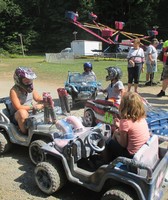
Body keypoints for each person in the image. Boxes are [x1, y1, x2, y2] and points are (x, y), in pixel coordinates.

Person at [105, 92, 150, 161]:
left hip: (130, 155)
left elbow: (123, 144)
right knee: (116, 133)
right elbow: (131, 129)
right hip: (141, 150)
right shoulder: (142, 118)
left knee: (106, 140)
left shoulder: (125, 122)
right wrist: (120, 127)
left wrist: (117, 134)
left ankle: (106, 162)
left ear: (123, 106)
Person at [9, 67, 44, 134]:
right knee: (22, 113)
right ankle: (25, 133)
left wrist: (45, 100)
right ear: (19, 80)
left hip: (30, 112)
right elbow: (18, 107)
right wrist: (34, 107)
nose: (29, 83)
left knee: (47, 106)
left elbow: (37, 98)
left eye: (30, 81)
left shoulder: (30, 89)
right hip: (17, 116)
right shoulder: (14, 91)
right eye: (26, 81)